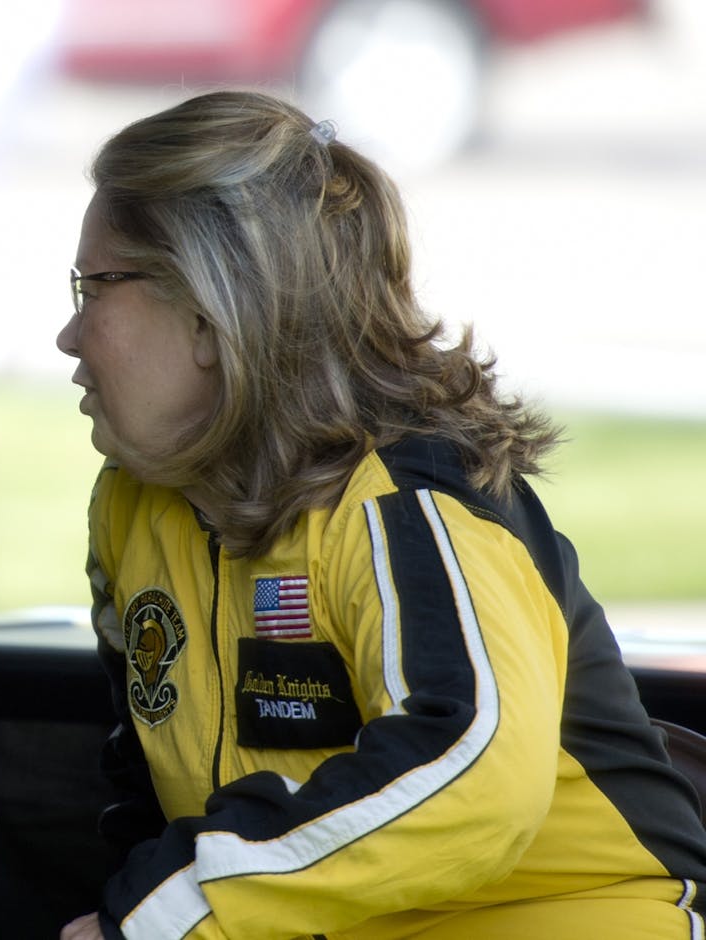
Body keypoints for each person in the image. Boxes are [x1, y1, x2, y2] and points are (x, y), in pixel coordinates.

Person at [54, 90, 706, 939]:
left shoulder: (409, 501)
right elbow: (149, 794)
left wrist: (170, 911)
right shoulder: (134, 507)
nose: (70, 335)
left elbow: (473, 780)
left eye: (93, 286)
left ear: (211, 313)